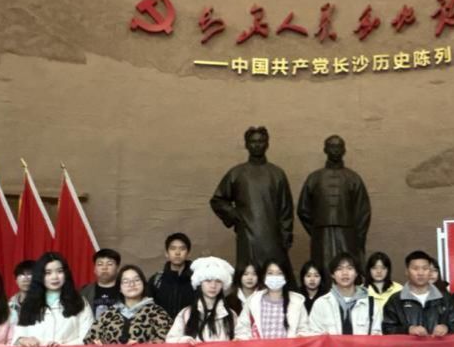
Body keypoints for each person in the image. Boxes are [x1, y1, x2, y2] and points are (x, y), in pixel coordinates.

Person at [211, 127, 295, 286]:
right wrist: (236, 216)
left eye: (261, 141)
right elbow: (218, 200)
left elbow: (286, 209)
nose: (257, 145)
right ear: (246, 144)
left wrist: (285, 237)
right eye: (253, 142)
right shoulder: (237, 173)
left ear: (267, 144)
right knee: (249, 279)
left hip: (273, 238)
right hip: (247, 236)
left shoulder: (277, 174)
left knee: (274, 279)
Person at [297, 135, 372, 275]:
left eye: (339, 146)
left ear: (344, 150)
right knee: (322, 269)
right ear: (325, 149)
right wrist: (316, 231)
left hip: (347, 235)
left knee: (346, 268)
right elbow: (303, 209)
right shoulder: (314, 178)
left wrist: (357, 237)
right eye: (332, 146)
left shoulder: (353, 178)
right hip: (322, 235)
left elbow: (363, 211)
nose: (335, 150)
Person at [150, 233, 196, 319]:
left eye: (182, 249)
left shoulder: (196, 279)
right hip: (163, 326)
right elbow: (149, 309)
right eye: (173, 248)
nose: (177, 253)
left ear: (188, 253)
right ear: (166, 253)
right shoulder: (156, 280)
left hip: (189, 326)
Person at [79, 248, 123, 320]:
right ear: (94, 269)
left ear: (117, 268)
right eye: (100, 264)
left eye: (109, 264)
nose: (104, 268)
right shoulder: (84, 292)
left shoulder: (126, 290)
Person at [7, 260, 35, 325]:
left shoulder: (44, 302)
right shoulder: (11, 304)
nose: (26, 279)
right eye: (22, 275)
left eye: (30, 275)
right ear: (16, 280)